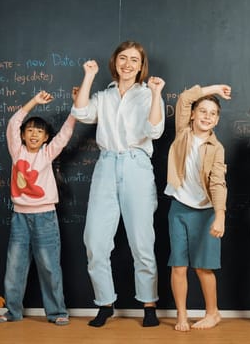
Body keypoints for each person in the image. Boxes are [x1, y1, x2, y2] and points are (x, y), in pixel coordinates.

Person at [71, 40, 165, 327]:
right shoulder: (104, 96)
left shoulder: (149, 93)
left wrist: (157, 93)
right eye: (123, 58)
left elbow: (155, 131)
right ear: (115, 62)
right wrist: (88, 75)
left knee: (142, 240)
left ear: (141, 66)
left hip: (136, 164)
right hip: (106, 165)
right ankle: (105, 303)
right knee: (94, 241)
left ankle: (149, 305)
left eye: (134, 60)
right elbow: (82, 113)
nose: (127, 64)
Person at [0, 90, 76, 326]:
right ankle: (13, 311)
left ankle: (57, 312)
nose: (33, 134)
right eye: (29, 130)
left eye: (39, 132)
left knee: (49, 266)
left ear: (45, 138)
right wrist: (33, 102)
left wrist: (75, 109)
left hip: (45, 216)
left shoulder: (47, 154)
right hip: (20, 216)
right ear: (22, 135)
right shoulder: (16, 151)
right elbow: (13, 123)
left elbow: (65, 134)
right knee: (14, 267)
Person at [164, 84, 231, 331]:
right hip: (179, 208)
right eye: (202, 110)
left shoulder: (217, 148)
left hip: (206, 212)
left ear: (217, 120)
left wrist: (220, 217)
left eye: (212, 113)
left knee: (204, 267)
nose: (206, 116)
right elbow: (184, 97)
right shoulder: (182, 132)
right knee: (178, 265)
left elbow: (218, 184)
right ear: (192, 114)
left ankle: (213, 313)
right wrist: (214, 89)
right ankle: (181, 316)